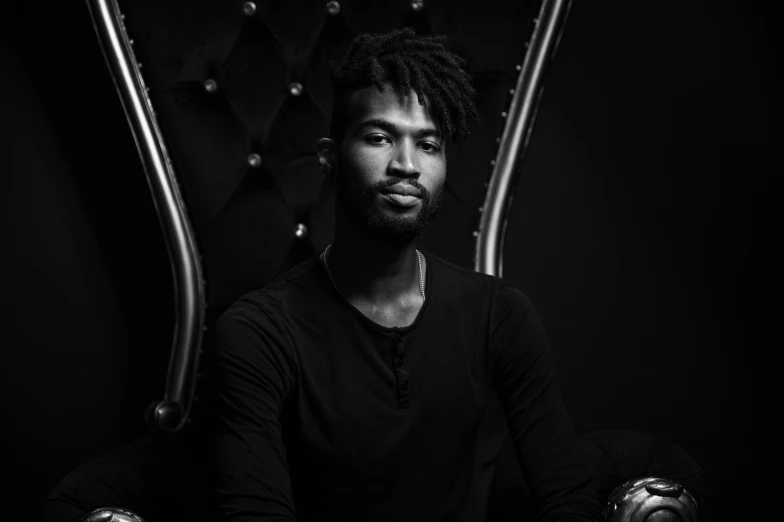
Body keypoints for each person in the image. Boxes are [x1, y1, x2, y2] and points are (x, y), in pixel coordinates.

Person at [211, 27, 602, 522]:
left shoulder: (500, 316)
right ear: (330, 157)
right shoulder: (258, 332)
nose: (406, 165)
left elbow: (568, 496)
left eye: (429, 145)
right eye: (379, 137)